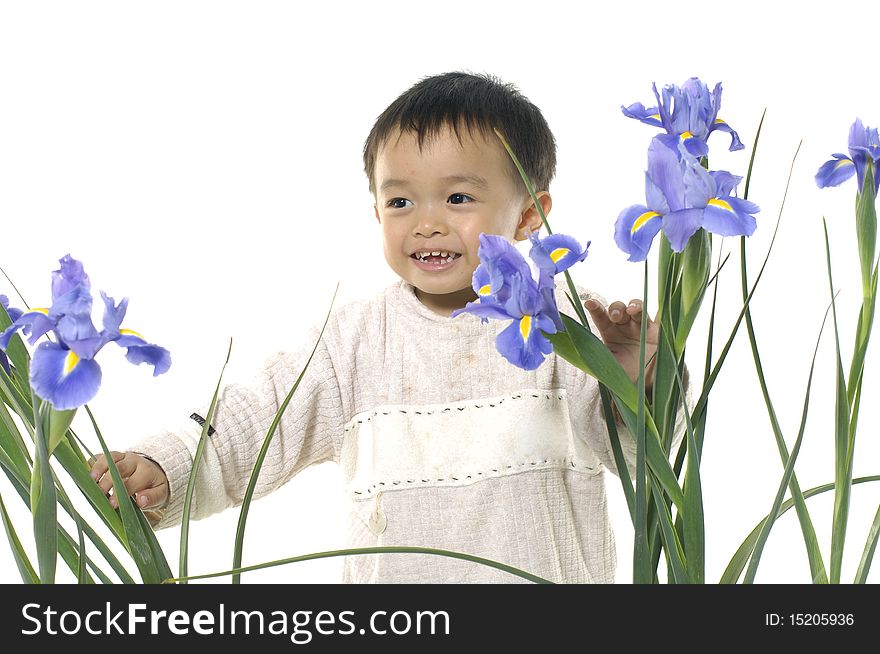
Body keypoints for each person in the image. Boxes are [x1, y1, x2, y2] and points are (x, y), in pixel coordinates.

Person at [89, 71, 667, 584]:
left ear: (528, 215)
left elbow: (641, 460)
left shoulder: (566, 324)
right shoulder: (355, 342)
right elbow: (254, 420)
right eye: (400, 203)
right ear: (376, 212)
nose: (427, 224)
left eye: (458, 197)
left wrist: (631, 383)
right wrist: (166, 466)